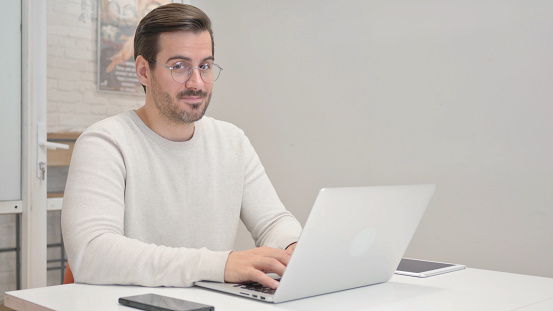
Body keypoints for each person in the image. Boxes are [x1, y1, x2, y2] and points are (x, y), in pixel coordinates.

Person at [61, 3, 301, 290]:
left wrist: (294, 247)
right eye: (179, 67)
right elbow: (92, 253)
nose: (197, 82)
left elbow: (273, 221)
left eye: (205, 66)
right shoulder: (106, 142)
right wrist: (220, 265)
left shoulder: (232, 141)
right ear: (143, 71)